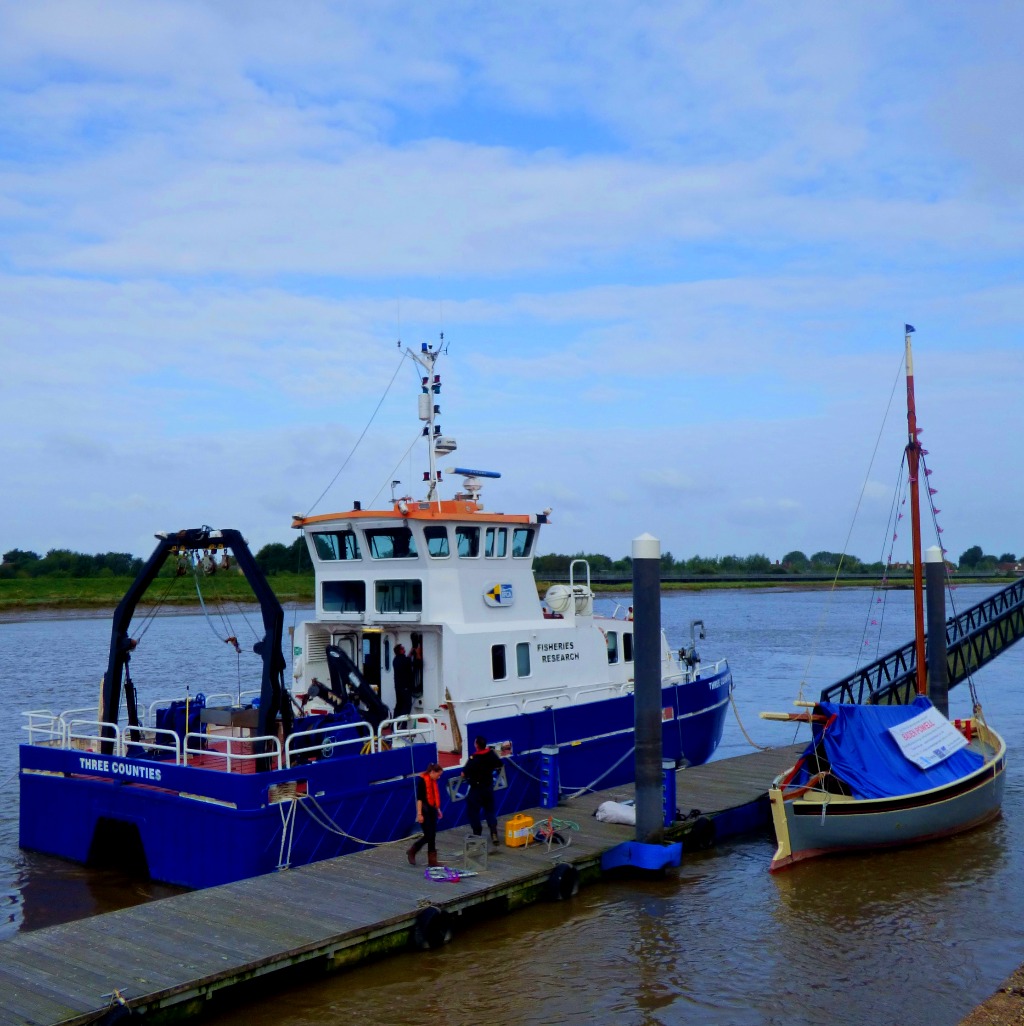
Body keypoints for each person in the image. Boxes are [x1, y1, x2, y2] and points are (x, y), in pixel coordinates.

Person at [461, 735, 503, 845]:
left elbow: (463, 773)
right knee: (490, 811)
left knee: (473, 812)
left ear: (476, 745)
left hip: (476, 789)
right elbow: (499, 764)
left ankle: (477, 834)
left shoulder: (474, 758)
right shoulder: (491, 754)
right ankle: (493, 832)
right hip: (488, 787)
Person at [407, 762, 444, 867]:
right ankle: (413, 850)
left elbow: (434, 796)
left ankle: (432, 861)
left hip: (432, 810)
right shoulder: (422, 781)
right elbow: (419, 799)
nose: (439, 777)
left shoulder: (433, 781)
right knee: (429, 835)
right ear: (432, 772)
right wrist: (419, 814)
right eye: (438, 774)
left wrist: (438, 809)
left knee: (433, 835)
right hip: (424, 810)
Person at [392, 643, 414, 718]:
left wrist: (410, 653)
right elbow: (416, 663)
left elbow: (406, 660)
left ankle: (393, 723)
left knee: (399, 705)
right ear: (400, 651)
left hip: (398, 687)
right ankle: (403, 724)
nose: (404, 649)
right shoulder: (405, 660)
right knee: (407, 706)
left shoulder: (395, 660)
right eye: (403, 648)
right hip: (405, 687)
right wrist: (417, 654)